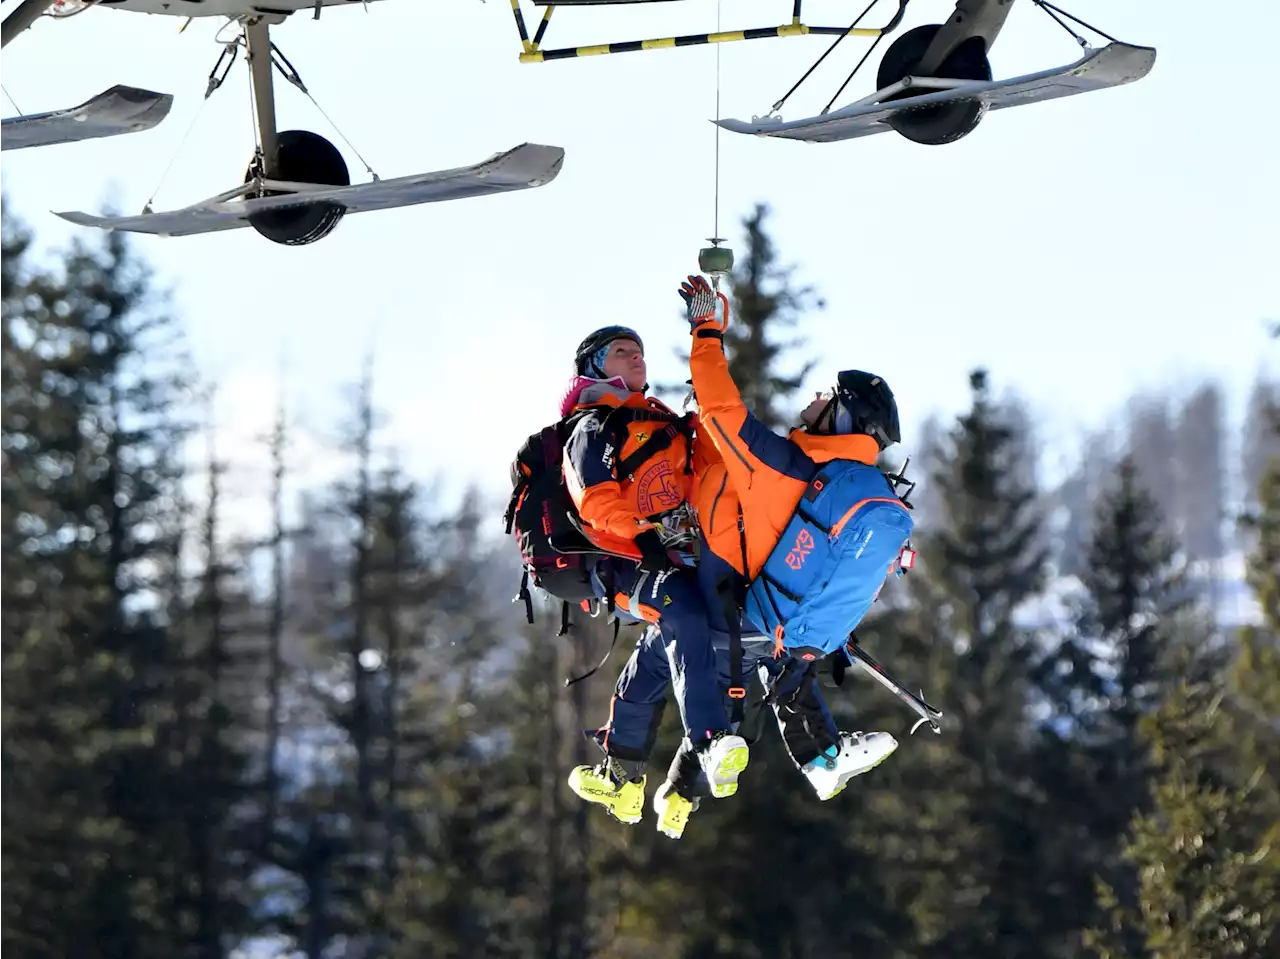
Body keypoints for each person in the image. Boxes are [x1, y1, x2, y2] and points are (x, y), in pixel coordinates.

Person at [567, 281, 908, 839]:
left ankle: (676, 767)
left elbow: (725, 412)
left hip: (735, 610)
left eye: (826, 397)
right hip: (782, 627)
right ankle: (696, 781)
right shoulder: (848, 485)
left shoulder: (786, 465)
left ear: (844, 418)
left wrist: (706, 332)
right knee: (665, 664)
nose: (813, 399)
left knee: (696, 673)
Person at [557, 325, 753, 812]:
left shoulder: (662, 421)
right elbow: (595, 501)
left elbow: (710, 469)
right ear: (594, 366)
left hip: (681, 556)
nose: (636, 358)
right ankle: (708, 740)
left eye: (640, 351)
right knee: (683, 614)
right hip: (622, 559)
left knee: (681, 638)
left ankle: (622, 771)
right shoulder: (594, 426)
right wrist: (644, 533)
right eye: (621, 352)